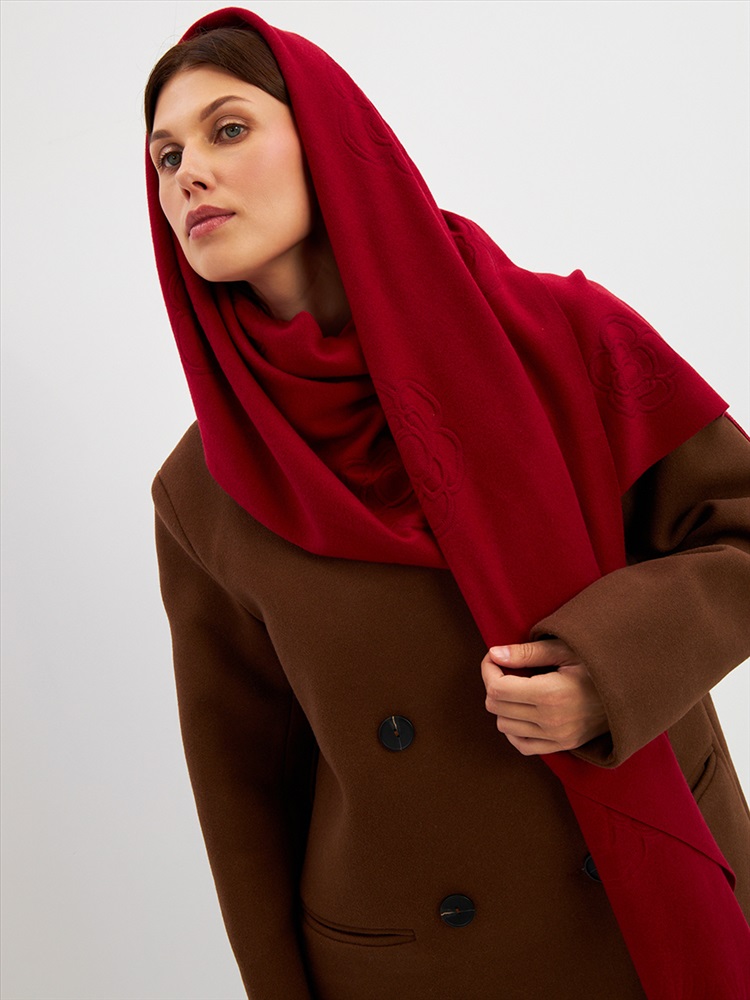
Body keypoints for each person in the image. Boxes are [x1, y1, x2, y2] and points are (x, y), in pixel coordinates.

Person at [146, 8, 750, 999]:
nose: (187, 175)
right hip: (411, 965)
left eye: (229, 128)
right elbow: (244, 794)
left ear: (327, 134)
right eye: (166, 156)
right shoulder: (204, 489)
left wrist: (609, 670)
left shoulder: (564, 336)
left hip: (639, 907)